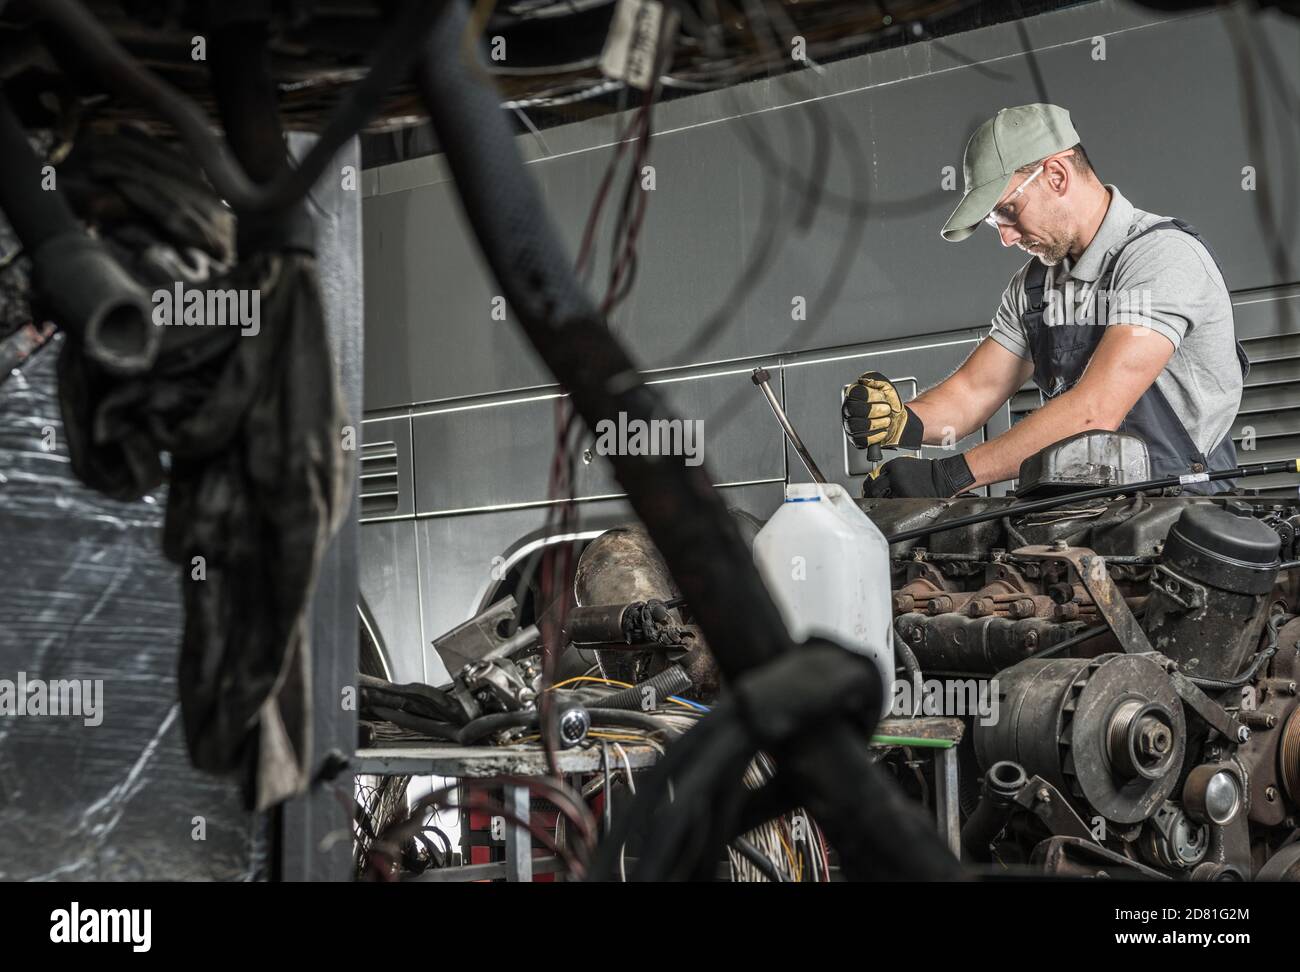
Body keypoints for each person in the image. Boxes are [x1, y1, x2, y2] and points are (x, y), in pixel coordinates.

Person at [843, 103, 1247, 498]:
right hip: (1078, 509)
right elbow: (974, 391)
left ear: (1055, 175)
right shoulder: (1033, 287)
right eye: (995, 222)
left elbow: (1096, 410)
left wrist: (949, 476)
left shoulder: (1160, 256)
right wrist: (902, 421)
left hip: (1182, 515)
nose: (1006, 237)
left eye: (1008, 211)